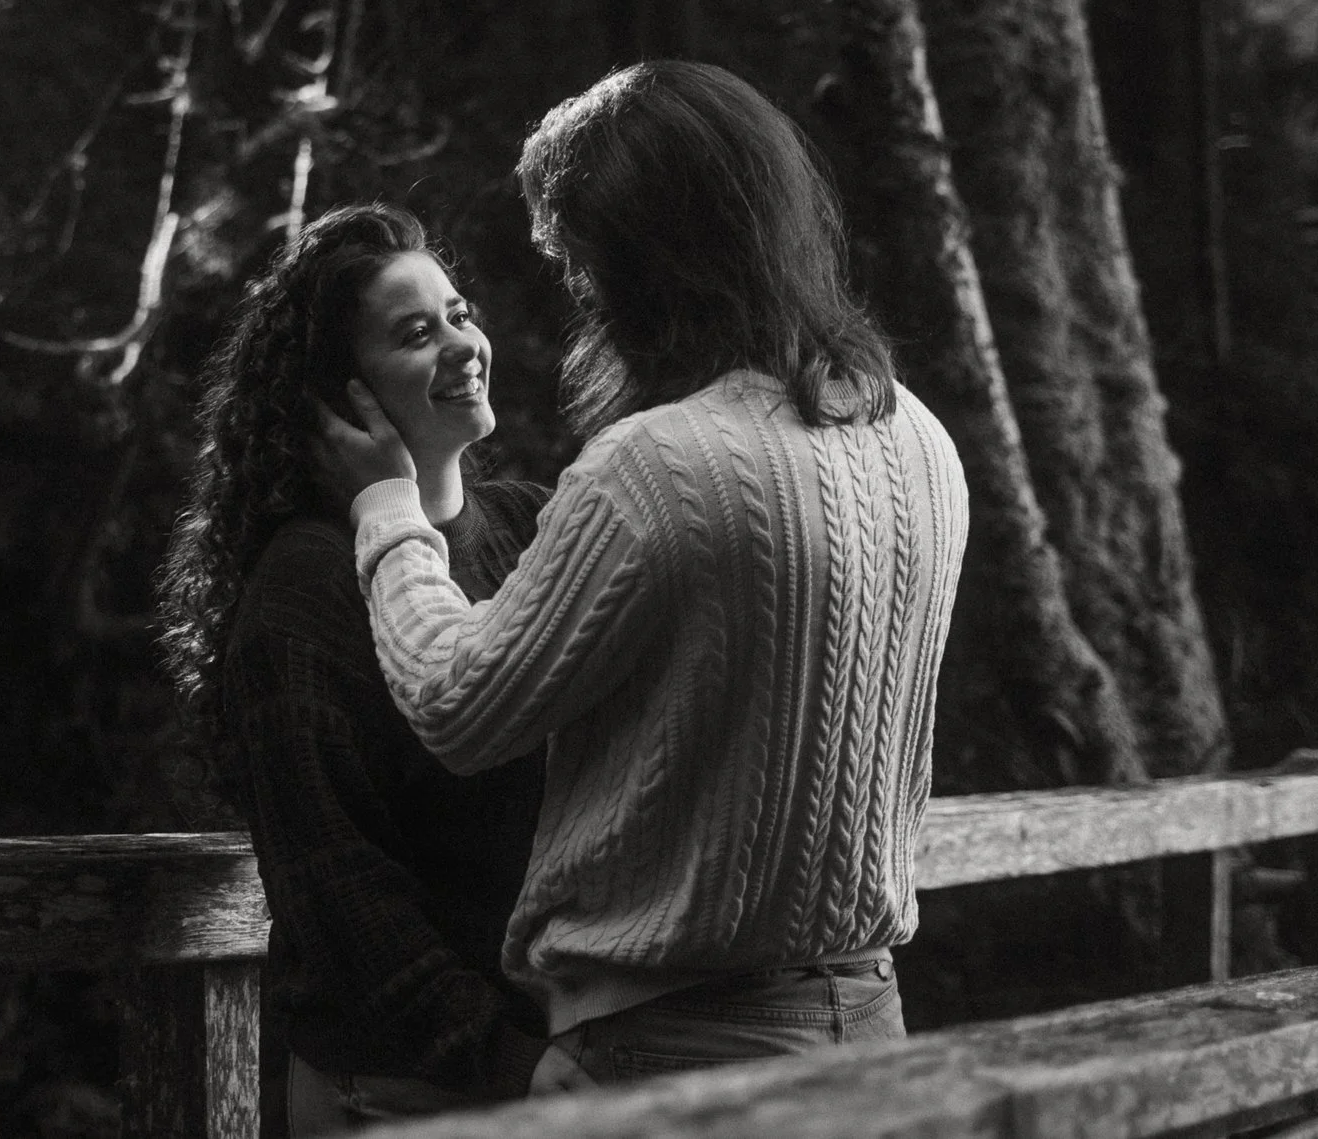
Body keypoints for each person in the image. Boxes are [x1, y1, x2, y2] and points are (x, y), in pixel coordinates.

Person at [318, 61, 968, 1089]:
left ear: (633, 261)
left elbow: (457, 704)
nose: (580, 293)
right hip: (868, 1021)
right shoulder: (917, 434)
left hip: (669, 1048)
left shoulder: (656, 466)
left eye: (577, 260)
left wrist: (386, 506)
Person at [154, 204, 554, 1134]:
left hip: (550, 1067)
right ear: (343, 398)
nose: (463, 344)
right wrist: (510, 1063)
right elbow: (337, 891)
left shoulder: (534, 526)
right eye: (416, 334)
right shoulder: (304, 592)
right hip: (405, 1091)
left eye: (460, 313)